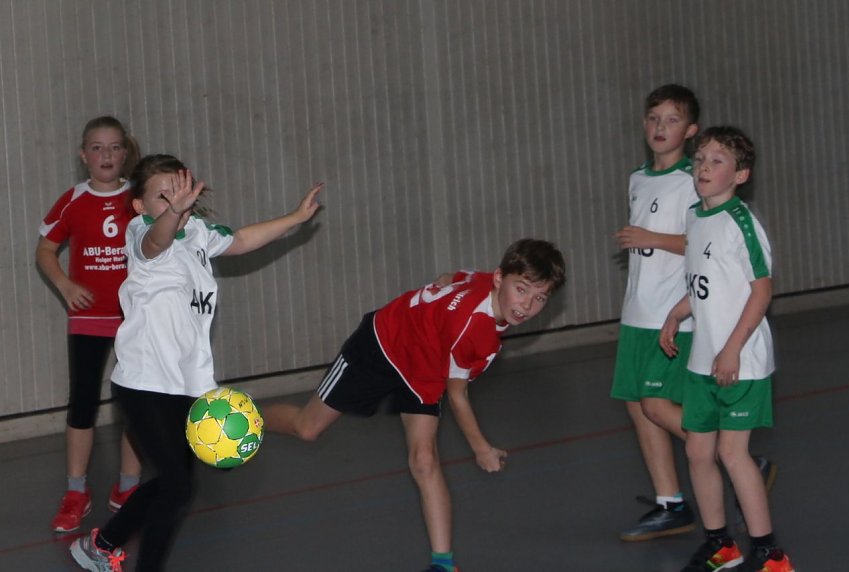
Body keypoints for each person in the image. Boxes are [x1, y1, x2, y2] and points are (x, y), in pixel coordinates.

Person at [69, 154, 323, 572]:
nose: (174, 200)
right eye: (162, 195)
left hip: (188, 386)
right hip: (143, 382)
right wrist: (174, 211)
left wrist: (294, 217)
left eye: (180, 191)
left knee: (175, 485)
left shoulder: (201, 233)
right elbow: (158, 242)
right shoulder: (141, 232)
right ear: (140, 205)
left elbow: (240, 240)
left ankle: (102, 544)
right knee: (177, 484)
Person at [265, 238, 566, 572]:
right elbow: (457, 395)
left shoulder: (487, 283)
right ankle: (246, 415)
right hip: (384, 344)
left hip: (424, 367)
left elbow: (454, 276)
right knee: (307, 428)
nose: (526, 305)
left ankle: (443, 564)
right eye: (521, 290)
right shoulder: (472, 329)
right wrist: (481, 448)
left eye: (540, 297)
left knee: (424, 460)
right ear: (500, 278)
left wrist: (443, 282)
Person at [660, 127, 794, 572]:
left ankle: (769, 551)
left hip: (742, 361)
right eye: (700, 159)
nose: (703, 167)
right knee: (698, 453)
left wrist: (733, 349)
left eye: (717, 161)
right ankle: (723, 545)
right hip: (703, 358)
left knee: (733, 454)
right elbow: (704, 286)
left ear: (740, 175)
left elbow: (761, 291)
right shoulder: (695, 218)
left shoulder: (742, 223)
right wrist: (678, 314)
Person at [37, 116, 144, 533]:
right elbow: (45, 251)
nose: (106, 155)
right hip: (88, 318)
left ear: (125, 153)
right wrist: (65, 286)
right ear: (84, 156)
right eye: (97, 148)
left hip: (134, 317)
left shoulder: (138, 199)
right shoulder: (72, 200)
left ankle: (128, 487)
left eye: (114, 147)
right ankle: (76, 491)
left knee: (135, 403)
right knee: (82, 403)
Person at [610, 84, 700, 541]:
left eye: (671, 119)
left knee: (659, 406)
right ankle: (671, 503)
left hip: (673, 315)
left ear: (691, 129)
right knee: (636, 406)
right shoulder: (638, 178)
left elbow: (707, 244)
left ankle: (733, 454)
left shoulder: (695, 180)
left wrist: (653, 238)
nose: (660, 127)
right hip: (636, 313)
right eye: (653, 118)